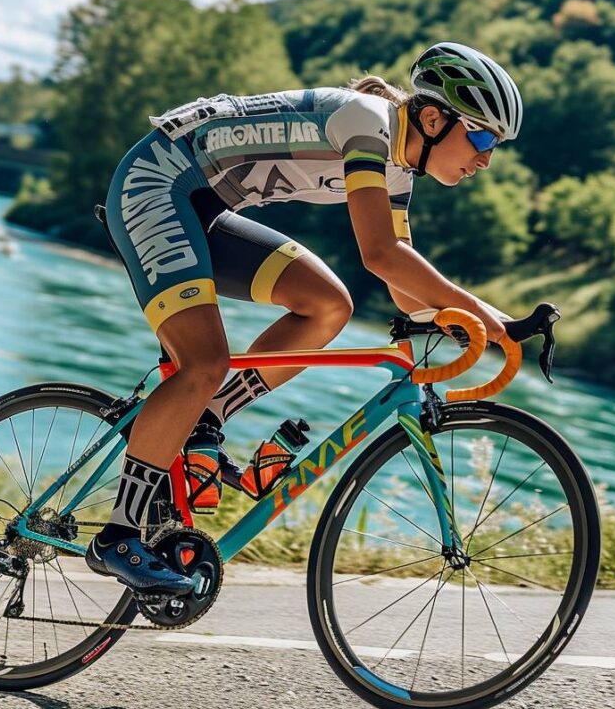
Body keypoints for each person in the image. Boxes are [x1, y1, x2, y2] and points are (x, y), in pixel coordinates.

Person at [86, 42, 522, 592]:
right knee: (205, 362)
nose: (485, 158)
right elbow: (380, 254)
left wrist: (496, 323)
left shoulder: (398, 169)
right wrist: (489, 319)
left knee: (329, 305)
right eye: (481, 137)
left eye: (495, 146)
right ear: (433, 118)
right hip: (155, 185)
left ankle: (207, 416)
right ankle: (119, 534)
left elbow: (405, 295)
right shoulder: (368, 123)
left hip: (203, 208)